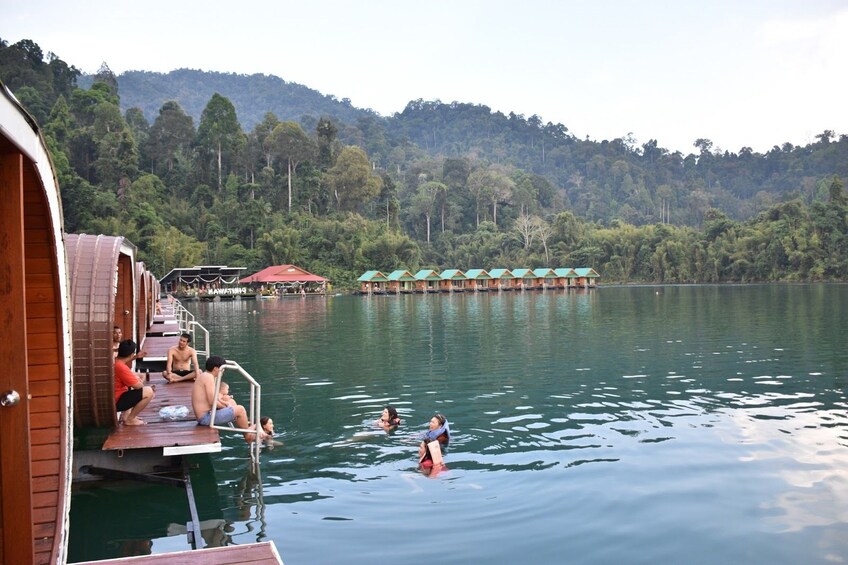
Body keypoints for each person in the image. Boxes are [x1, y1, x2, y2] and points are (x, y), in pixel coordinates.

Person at [192, 355, 263, 443]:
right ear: (216, 368)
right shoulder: (208, 377)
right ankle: (247, 435)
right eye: (223, 369)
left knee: (231, 401)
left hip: (206, 414)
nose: (223, 372)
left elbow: (214, 398)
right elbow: (212, 402)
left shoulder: (205, 375)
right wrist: (225, 406)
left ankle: (244, 424)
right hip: (205, 418)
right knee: (240, 409)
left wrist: (225, 403)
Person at [114, 340, 155, 426]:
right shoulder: (121, 367)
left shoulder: (115, 361)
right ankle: (130, 419)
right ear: (131, 354)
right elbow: (138, 386)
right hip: (116, 401)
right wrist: (138, 381)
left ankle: (126, 416)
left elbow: (125, 360)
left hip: (115, 397)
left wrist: (136, 357)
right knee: (149, 391)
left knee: (134, 382)